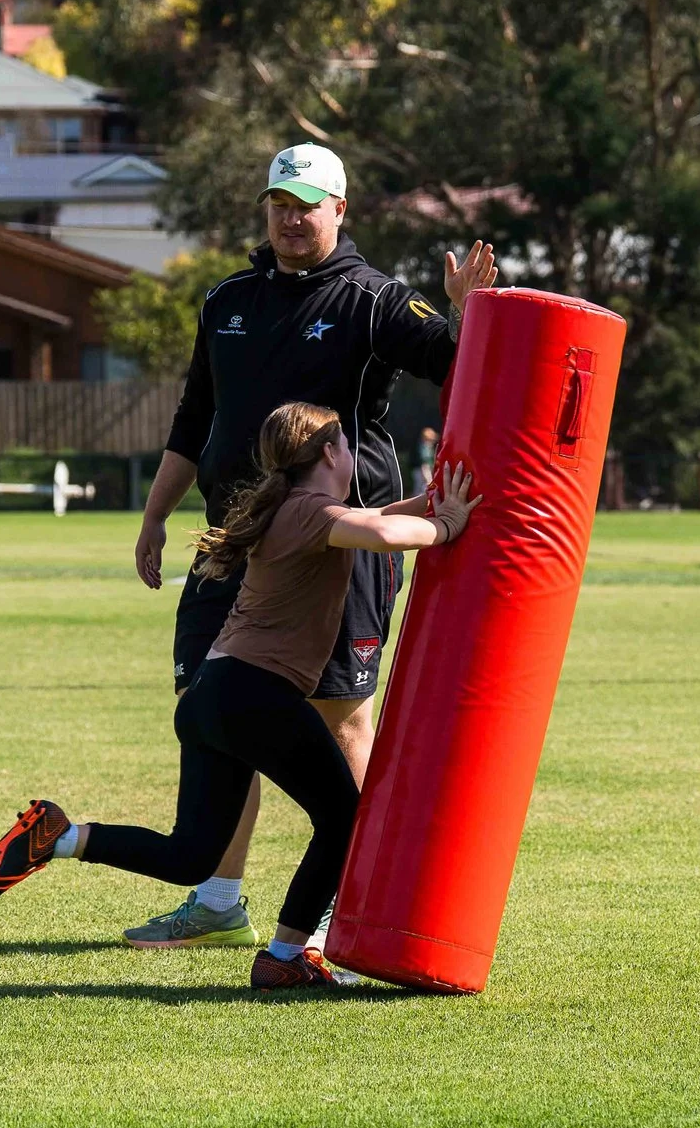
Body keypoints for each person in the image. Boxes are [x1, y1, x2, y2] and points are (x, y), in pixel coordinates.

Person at [120, 141, 494, 950]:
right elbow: (195, 418)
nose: (291, 219)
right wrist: (155, 516)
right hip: (232, 542)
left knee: (340, 717)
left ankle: (341, 908)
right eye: (280, 205)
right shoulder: (227, 299)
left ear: (339, 211)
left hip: (339, 546)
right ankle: (217, 899)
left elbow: (450, 360)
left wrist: (465, 314)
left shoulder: (373, 298)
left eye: (307, 206)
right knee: (212, 711)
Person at [0, 404, 479, 990]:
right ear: (329, 454)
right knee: (345, 817)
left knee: (191, 854)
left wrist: (432, 503)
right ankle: (285, 955)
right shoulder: (310, 511)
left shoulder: (291, 508)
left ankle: (59, 837)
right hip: (253, 695)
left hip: (212, 695)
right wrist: (448, 525)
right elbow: (386, 534)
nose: (352, 456)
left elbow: (380, 518)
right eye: (346, 445)